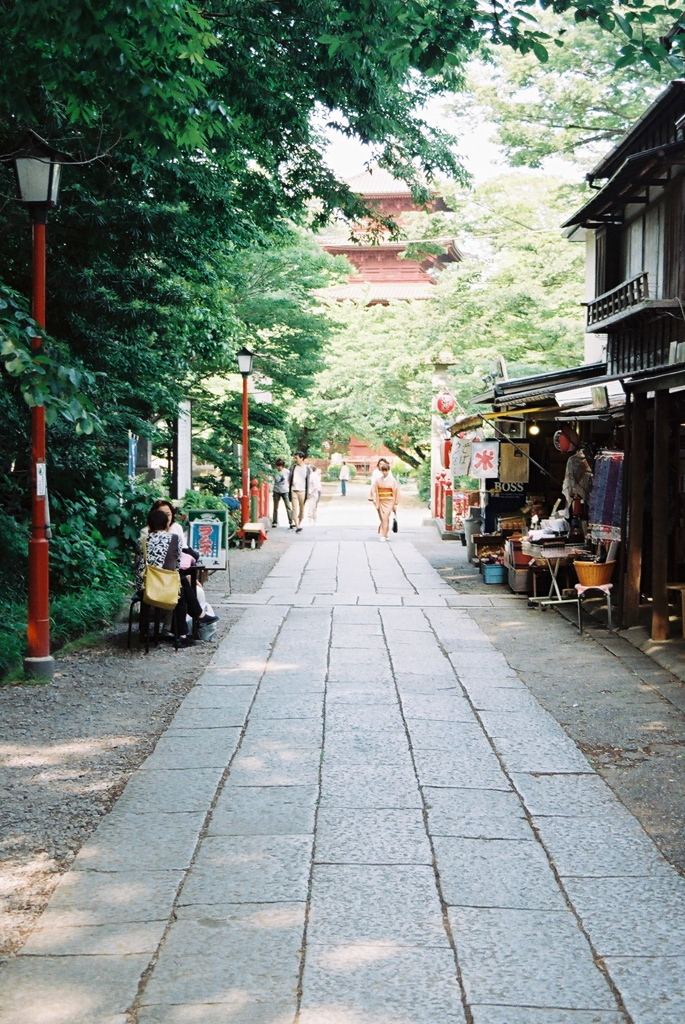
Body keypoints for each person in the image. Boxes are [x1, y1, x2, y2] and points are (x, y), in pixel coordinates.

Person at [370, 461, 399, 542]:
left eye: (386, 470)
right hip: (380, 500)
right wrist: (375, 499)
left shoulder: (393, 481)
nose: (384, 472)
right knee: (383, 518)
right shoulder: (378, 480)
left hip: (389, 501)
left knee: (385, 517)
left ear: (388, 470)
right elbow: (374, 490)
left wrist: (395, 503)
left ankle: (383, 534)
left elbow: (396, 492)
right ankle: (386, 533)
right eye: (383, 470)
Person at [288, 451, 311, 532]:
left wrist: (309, 492)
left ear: (302, 458)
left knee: (302, 508)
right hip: (293, 490)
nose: (295, 460)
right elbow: (289, 478)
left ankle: (299, 523)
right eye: (295, 458)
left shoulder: (307, 469)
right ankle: (297, 525)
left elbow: (308, 481)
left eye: (296, 458)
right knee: (294, 508)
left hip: (302, 491)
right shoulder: (293, 468)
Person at [272, 458, 294, 528]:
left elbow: (290, 480)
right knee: (275, 507)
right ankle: (274, 521)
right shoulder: (275, 472)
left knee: (288, 506)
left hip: (285, 491)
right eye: (277, 466)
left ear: (283, 465)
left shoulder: (287, 472)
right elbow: (273, 480)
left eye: (280, 466)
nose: (278, 467)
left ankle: (291, 521)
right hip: (276, 491)